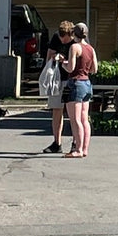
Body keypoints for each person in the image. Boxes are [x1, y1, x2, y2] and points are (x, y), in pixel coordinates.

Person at [61, 21, 98, 159]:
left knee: (75, 119)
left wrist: (62, 63)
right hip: (87, 83)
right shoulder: (90, 48)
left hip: (75, 83)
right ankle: (85, 148)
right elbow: (95, 69)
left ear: (73, 33)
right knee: (84, 119)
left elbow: (70, 68)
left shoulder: (74, 47)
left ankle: (78, 149)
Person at [42, 21, 74, 154]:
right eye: (61, 39)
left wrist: (65, 60)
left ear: (71, 35)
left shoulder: (76, 41)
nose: (63, 42)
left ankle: (76, 142)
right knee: (56, 110)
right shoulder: (56, 37)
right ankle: (57, 142)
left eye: (65, 39)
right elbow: (49, 55)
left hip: (72, 79)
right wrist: (55, 58)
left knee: (73, 113)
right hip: (57, 78)